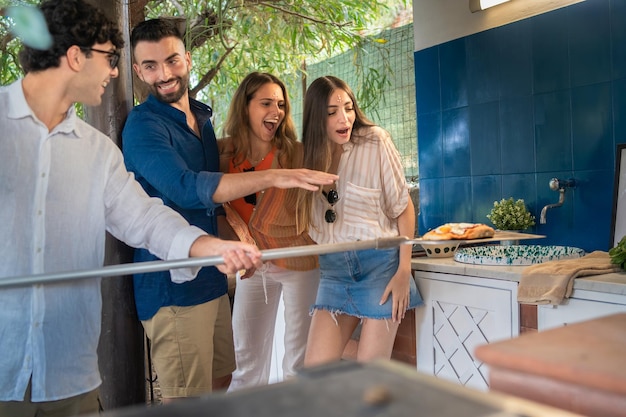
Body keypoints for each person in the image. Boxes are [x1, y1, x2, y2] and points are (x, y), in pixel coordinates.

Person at [0, 1, 262, 416]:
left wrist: (210, 246)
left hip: (71, 376)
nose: (116, 72)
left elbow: (145, 219)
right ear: (74, 57)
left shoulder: (96, 151)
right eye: (109, 58)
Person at [122, 19, 336, 401]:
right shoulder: (143, 126)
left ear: (187, 59)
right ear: (137, 71)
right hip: (172, 289)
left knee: (223, 383)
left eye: (172, 60)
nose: (165, 74)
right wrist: (273, 178)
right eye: (150, 66)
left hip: (214, 279)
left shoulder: (200, 121)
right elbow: (188, 190)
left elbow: (216, 213)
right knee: (187, 401)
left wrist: (236, 244)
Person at [295, 75, 423, 367]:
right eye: (331, 112)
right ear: (316, 118)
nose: (344, 118)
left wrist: (404, 271)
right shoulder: (306, 158)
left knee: (369, 375)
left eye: (348, 108)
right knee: (316, 371)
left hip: (381, 268)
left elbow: (403, 209)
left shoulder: (375, 141)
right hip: (334, 272)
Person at [217, 72, 320, 391]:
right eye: (265, 103)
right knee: (244, 359)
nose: (276, 111)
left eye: (280, 104)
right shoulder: (223, 155)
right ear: (245, 106)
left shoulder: (297, 154)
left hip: (298, 262)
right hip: (253, 267)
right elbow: (217, 208)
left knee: (297, 362)